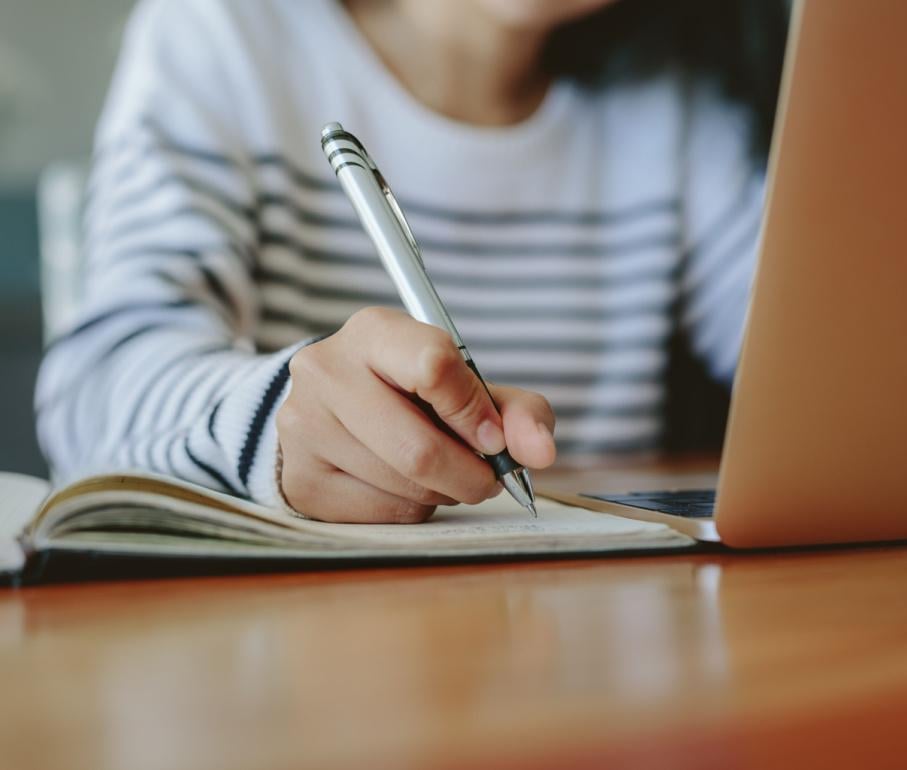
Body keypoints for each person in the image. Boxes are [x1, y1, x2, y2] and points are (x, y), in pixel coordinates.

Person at [35, 0, 788, 523]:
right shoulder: (225, 38)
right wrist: (278, 421)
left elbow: (826, 382)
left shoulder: (681, 104)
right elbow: (89, 402)